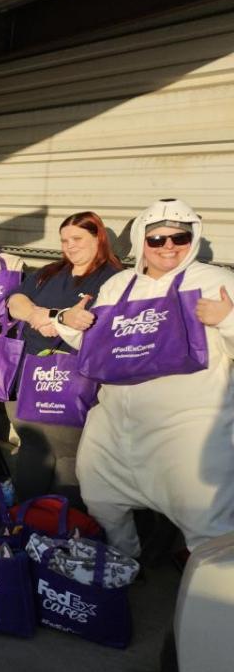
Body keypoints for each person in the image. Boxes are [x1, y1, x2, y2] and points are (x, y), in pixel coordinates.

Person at [60, 199, 234, 558]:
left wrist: (228, 318)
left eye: (179, 238)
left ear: (193, 239)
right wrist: (69, 321)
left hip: (187, 433)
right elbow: (96, 349)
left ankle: (209, 601)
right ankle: (123, 565)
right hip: (114, 427)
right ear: (141, 240)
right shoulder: (118, 285)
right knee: (100, 497)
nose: (168, 246)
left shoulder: (216, 281)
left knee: (207, 524)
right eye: (157, 239)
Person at [4, 212, 123, 505]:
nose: (70, 246)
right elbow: (14, 300)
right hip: (27, 379)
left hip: (73, 383)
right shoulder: (50, 272)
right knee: (32, 450)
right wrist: (39, 314)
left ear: (99, 238)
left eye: (78, 239)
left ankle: (63, 528)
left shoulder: (115, 279)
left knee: (69, 460)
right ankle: (23, 523)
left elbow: (107, 330)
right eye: (64, 240)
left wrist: (59, 321)